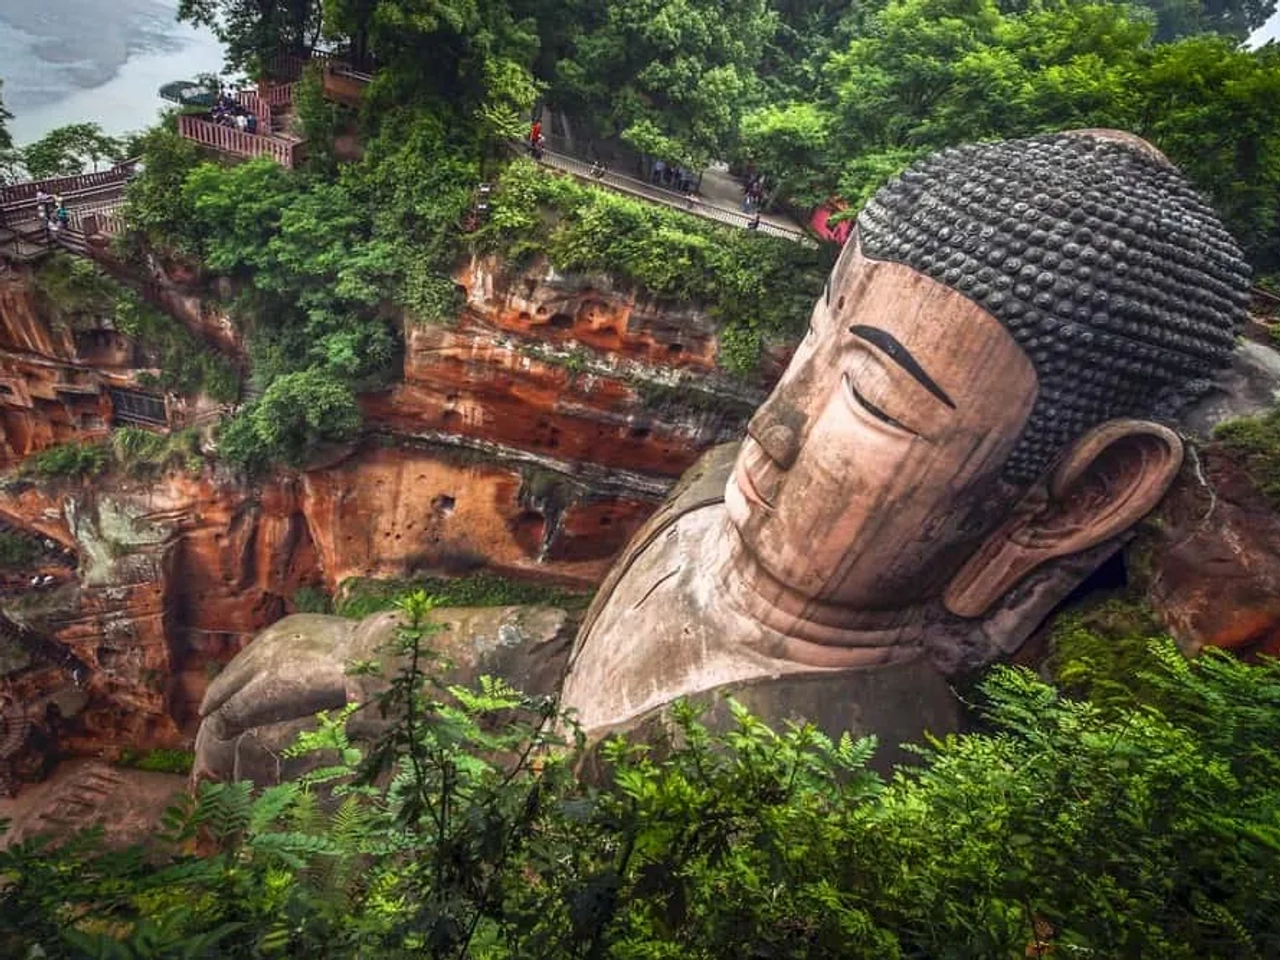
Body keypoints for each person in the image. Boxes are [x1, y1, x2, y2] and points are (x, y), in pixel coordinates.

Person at [192, 130, 1250, 782]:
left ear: (1067, 504)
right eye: (814, 342)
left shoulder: (827, 766)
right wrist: (391, 662)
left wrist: (336, 772)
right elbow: (567, 666)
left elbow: (474, 890)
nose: (774, 422)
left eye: (873, 394)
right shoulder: (717, 492)